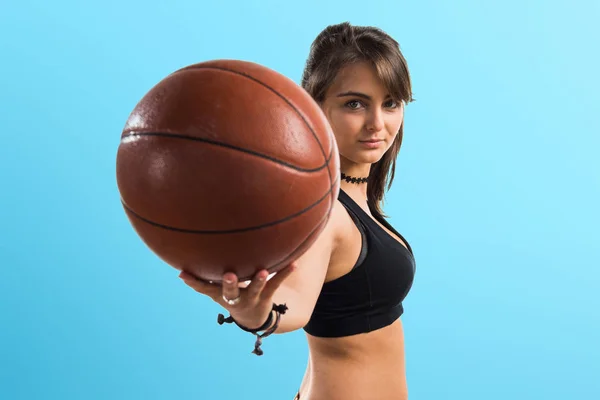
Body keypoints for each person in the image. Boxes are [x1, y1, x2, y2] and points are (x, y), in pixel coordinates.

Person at [179, 21, 416, 400]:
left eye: (390, 103)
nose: (378, 123)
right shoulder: (325, 214)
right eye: (354, 103)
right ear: (315, 105)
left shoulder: (354, 196)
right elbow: (293, 302)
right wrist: (257, 314)